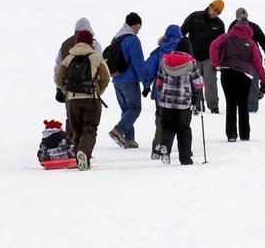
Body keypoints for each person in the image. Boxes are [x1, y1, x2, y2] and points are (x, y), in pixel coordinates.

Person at [56, 30, 111, 171]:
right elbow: (106, 77)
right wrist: (99, 90)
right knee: (90, 128)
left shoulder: (68, 58)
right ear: (90, 42)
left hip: (72, 101)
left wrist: (67, 92)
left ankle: (79, 157)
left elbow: (59, 79)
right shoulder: (96, 57)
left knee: (77, 130)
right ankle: (84, 155)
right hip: (91, 99)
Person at [210, 20, 265, 141]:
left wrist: (216, 63)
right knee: (243, 105)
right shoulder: (251, 43)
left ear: (235, 27)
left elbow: (214, 46)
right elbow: (258, 64)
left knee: (230, 104)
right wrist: (263, 81)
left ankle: (231, 135)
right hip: (244, 75)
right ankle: (245, 134)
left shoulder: (226, 37)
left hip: (227, 72)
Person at [154, 38, 204, 165]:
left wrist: (163, 92)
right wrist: (196, 93)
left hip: (166, 101)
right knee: (184, 129)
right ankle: (185, 158)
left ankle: (165, 146)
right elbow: (199, 83)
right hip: (183, 102)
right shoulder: (190, 63)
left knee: (167, 127)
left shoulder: (164, 61)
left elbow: (159, 81)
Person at [142, 24, 183, 159]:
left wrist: (147, 86)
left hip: (161, 92)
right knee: (180, 121)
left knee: (161, 120)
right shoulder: (185, 50)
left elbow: (148, 69)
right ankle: (182, 148)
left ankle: (157, 148)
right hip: (181, 93)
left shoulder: (159, 51)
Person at [181, 0, 226, 114]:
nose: (215, 13)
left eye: (218, 12)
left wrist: (219, 61)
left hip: (209, 58)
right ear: (210, 6)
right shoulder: (195, 17)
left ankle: (213, 106)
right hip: (193, 57)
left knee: (211, 82)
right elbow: (182, 32)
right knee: (195, 82)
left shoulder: (219, 25)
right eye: (214, 10)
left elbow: (222, 44)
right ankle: (198, 105)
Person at [108, 12, 146, 149]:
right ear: (134, 24)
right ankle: (118, 131)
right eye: (139, 26)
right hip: (129, 80)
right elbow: (138, 62)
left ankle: (129, 139)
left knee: (126, 109)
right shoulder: (133, 40)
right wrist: (145, 82)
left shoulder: (116, 38)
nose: (139, 29)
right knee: (135, 108)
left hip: (116, 79)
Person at [229, 8, 265, 113]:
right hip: (237, 60)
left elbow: (264, 42)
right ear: (236, 17)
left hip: (253, 59)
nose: (242, 17)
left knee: (253, 82)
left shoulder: (254, 26)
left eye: (244, 15)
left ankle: (252, 107)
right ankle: (241, 105)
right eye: (240, 16)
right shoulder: (232, 27)